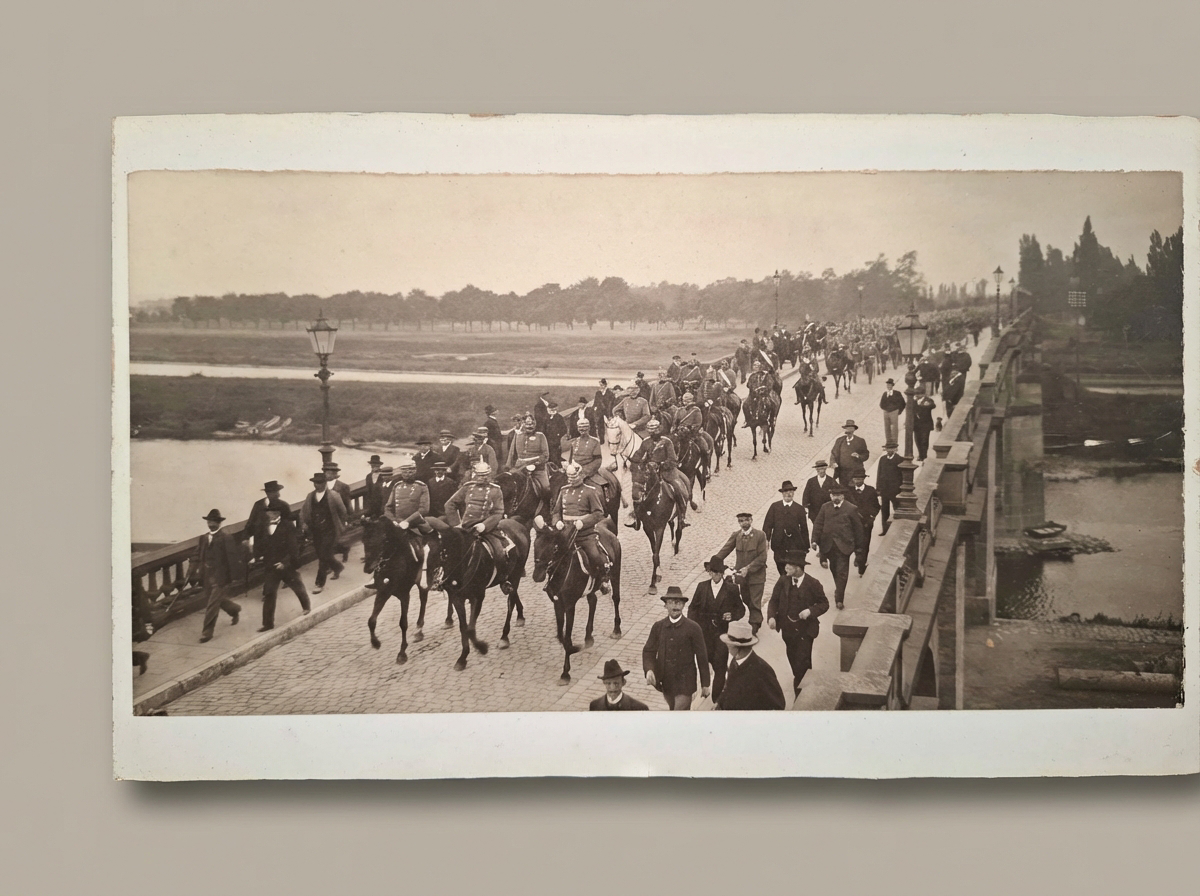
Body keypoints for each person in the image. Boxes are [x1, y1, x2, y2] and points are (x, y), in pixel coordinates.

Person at [766, 551, 829, 694]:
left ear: (798, 568)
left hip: (805, 631)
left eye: (789, 565)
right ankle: (804, 684)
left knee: (802, 663)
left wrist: (810, 611)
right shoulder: (783, 581)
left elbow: (824, 604)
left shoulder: (813, 583)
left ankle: (801, 696)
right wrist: (771, 617)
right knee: (794, 662)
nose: (786, 567)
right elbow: (774, 601)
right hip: (787, 631)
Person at [687, 556, 745, 704]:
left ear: (722, 573)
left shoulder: (731, 589)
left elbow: (741, 609)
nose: (715, 576)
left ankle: (716, 700)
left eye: (718, 573)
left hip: (721, 635)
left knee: (720, 667)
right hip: (704, 634)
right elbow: (692, 608)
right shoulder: (702, 587)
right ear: (709, 572)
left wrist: (731, 615)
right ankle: (705, 687)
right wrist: (694, 627)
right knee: (704, 663)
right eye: (713, 572)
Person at [641, 585, 710, 710]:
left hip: (685, 683)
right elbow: (648, 651)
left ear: (683, 605)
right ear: (665, 605)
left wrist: (705, 684)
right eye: (671, 602)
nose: (675, 606)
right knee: (674, 709)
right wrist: (649, 670)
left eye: (678, 602)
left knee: (678, 712)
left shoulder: (693, 628)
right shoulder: (658, 627)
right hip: (666, 683)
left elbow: (702, 656)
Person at [550, 462, 612, 594]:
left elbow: (598, 513)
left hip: (584, 534)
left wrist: (583, 522)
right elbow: (556, 512)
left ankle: (603, 580)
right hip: (566, 533)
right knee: (550, 555)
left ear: (580, 475)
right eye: (569, 477)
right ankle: (552, 580)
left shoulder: (590, 491)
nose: (571, 480)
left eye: (574, 477)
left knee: (595, 556)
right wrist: (557, 522)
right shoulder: (563, 490)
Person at [255, 505, 311, 632]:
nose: (271, 515)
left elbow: (293, 547)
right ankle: (268, 623)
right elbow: (260, 543)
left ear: (278, 513)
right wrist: (256, 556)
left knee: (297, 586)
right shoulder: (264, 526)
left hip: (286, 565)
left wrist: (285, 563)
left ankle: (306, 606)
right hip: (271, 566)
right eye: (269, 512)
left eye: (274, 512)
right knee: (269, 593)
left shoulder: (287, 525)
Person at [627, 419, 691, 527]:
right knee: (637, 489)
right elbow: (638, 455)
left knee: (677, 488)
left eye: (655, 431)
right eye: (651, 431)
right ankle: (636, 518)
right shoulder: (646, 442)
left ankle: (682, 516)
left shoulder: (667, 442)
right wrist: (632, 460)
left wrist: (661, 465)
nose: (653, 434)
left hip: (667, 472)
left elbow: (672, 460)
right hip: (650, 473)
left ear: (659, 430)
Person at [811, 484, 865, 610]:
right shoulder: (825, 507)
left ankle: (839, 598)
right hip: (828, 545)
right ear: (830, 496)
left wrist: (858, 547)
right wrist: (814, 540)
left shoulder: (851, 508)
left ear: (843, 496)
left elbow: (858, 529)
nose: (835, 497)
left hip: (844, 546)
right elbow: (818, 524)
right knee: (834, 569)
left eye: (838, 495)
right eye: (833, 495)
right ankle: (839, 588)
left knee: (842, 572)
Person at [713, 512, 768, 633]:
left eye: (746, 520)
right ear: (739, 522)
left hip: (757, 576)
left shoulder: (760, 535)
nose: (744, 523)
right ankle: (756, 616)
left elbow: (762, 557)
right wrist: (714, 562)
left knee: (755, 600)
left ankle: (755, 623)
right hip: (741, 577)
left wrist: (748, 568)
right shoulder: (736, 535)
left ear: (751, 520)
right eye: (741, 521)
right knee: (746, 598)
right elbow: (725, 549)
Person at [193, 508, 243, 642]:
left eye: (214, 521)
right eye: (209, 521)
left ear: (219, 523)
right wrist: (194, 570)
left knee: (212, 605)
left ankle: (207, 632)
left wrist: (233, 577)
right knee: (215, 600)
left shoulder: (226, 538)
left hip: (220, 576)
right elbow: (198, 554)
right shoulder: (203, 538)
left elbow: (232, 558)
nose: (211, 523)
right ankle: (234, 609)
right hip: (207, 576)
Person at [715, 619, 786, 711]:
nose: (727, 646)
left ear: (737, 647)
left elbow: (778, 705)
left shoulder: (762, 671)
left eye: (729, 644)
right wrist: (719, 702)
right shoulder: (735, 662)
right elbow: (728, 688)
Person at [444, 461, 510, 559]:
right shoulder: (467, 487)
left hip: (486, 529)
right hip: (466, 526)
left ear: (489, 475)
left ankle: (501, 574)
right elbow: (449, 504)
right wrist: (456, 525)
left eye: (483, 475)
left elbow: (498, 512)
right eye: (478, 475)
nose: (480, 478)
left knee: (499, 553)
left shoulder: (495, 490)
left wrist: (484, 525)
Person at [299, 472, 347, 594]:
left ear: (325, 483)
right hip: (316, 531)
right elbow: (303, 512)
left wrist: (339, 525)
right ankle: (338, 567)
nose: (317, 485)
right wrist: (304, 523)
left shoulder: (334, 495)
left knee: (324, 555)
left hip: (329, 530)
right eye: (315, 483)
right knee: (322, 555)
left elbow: (343, 511)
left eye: (320, 482)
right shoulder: (310, 496)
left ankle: (319, 583)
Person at [562, 417, 623, 503]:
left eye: (585, 427)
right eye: (580, 427)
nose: (582, 429)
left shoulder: (595, 442)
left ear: (589, 428)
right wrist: (568, 466)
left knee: (598, 491)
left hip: (589, 473)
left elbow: (597, 461)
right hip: (574, 471)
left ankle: (603, 509)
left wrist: (584, 472)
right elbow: (571, 458)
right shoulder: (574, 442)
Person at [762, 480, 810, 576]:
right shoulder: (775, 507)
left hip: (794, 544)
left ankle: (789, 586)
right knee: (780, 566)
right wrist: (765, 541)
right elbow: (767, 525)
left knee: (793, 568)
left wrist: (806, 546)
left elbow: (804, 528)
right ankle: (784, 581)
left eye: (791, 491)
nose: (789, 493)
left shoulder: (799, 509)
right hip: (778, 543)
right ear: (782, 493)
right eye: (786, 491)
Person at [507, 414, 551, 494]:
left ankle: (548, 506)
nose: (529, 426)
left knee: (546, 488)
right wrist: (508, 466)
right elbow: (512, 453)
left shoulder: (540, 436)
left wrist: (537, 463)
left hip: (537, 469)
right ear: (523, 424)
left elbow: (545, 454)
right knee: (509, 485)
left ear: (535, 424)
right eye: (527, 424)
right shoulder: (518, 436)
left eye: (531, 424)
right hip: (519, 467)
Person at [846, 471, 881, 573]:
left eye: (860, 479)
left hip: (866, 523)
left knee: (865, 543)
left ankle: (862, 565)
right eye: (856, 479)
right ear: (853, 480)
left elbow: (877, 506)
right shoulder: (849, 492)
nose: (858, 481)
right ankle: (858, 556)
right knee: (855, 542)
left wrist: (872, 517)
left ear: (863, 479)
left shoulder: (870, 490)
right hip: (853, 523)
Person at [384, 460, 432, 532]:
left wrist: (407, 521)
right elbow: (388, 507)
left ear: (415, 472)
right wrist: (393, 520)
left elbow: (424, 509)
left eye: (410, 472)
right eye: (404, 472)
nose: (407, 474)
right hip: (398, 522)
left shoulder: (421, 486)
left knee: (429, 534)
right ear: (402, 473)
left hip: (416, 522)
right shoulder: (397, 486)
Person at [323, 462, 353, 562]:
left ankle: (343, 550)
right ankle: (337, 554)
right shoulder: (322, 486)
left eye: (329, 473)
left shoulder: (343, 486)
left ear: (335, 474)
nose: (327, 475)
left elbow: (347, 503)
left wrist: (348, 518)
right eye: (326, 472)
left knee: (335, 538)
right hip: (326, 517)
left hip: (338, 517)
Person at [244, 480, 286, 551]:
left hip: (279, 542)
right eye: (273, 492)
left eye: (277, 491)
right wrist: (245, 538)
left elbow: (288, 523)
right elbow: (251, 522)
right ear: (267, 493)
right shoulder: (258, 505)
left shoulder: (283, 505)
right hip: (263, 544)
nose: (277, 494)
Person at [829, 419, 870, 487]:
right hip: (842, 473)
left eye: (850, 428)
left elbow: (866, 455)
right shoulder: (840, 440)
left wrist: (858, 456)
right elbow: (833, 453)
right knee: (843, 490)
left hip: (855, 473)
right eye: (847, 428)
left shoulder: (860, 441)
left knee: (853, 491)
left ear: (854, 430)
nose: (848, 430)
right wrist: (833, 463)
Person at [876, 441, 903, 535]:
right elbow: (879, 474)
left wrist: (901, 489)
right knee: (884, 510)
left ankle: (899, 530)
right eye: (888, 448)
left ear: (896, 449)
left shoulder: (900, 459)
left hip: (895, 490)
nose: (890, 450)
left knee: (897, 509)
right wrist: (878, 488)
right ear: (886, 449)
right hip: (884, 490)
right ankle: (885, 530)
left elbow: (902, 476)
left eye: (892, 448)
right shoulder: (882, 459)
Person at [802, 459, 834, 524]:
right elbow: (806, 494)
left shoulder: (831, 481)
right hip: (814, 511)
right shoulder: (811, 481)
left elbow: (837, 492)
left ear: (825, 469)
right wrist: (805, 506)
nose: (821, 471)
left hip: (828, 511)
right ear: (816, 470)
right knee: (817, 528)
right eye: (819, 469)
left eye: (823, 468)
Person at [879, 378, 906, 447]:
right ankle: (888, 442)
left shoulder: (897, 393)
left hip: (894, 412)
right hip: (886, 412)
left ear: (892, 385)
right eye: (887, 385)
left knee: (894, 427)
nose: (888, 386)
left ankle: (894, 442)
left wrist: (898, 411)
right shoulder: (885, 394)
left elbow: (903, 403)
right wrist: (885, 409)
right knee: (887, 427)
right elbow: (881, 404)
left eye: (890, 385)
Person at [912, 385, 936, 461]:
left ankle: (924, 455)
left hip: (926, 424)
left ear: (923, 394)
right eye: (916, 394)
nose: (916, 395)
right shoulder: (913, 401)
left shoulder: (928, 400)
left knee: (924, 440)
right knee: (917, 440)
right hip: (916, 425)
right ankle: (920, 454)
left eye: (918, 394)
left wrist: (922, 406)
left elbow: (932, 405)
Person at [544, 400, 568, 465]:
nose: (551, 411)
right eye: (550, 409)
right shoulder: (546, 417)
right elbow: (543, 428)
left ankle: (556, 466)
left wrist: (558, 435)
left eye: (553, 409)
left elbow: (564, 429)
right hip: (547, 439)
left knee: (555, 453)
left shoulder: (559, 417)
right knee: (548, 452)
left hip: (555, 439)